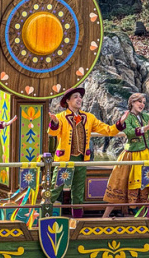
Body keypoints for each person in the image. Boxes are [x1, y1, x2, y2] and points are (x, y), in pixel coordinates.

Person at [48, 87, 125, 218]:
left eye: (80, 97)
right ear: (68, 101)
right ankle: (44, 215)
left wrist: (119, 123)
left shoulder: (88, 117)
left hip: (81, 159)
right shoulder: (61, 117)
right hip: (65, 159)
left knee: (78, 191)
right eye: (75, 97)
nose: (79, 99)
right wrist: (54, 123)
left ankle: (77, 219)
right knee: (56, 187)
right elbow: (52, 132)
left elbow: (107, 130)